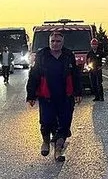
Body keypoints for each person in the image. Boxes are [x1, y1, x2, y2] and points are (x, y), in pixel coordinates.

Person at [26, 32, 82, 161]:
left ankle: (58, 150)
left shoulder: (68, 55)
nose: (55, 44)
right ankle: (45, 141)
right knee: (46, 121)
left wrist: (78, 92)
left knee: (64, 123)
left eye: (58, 41)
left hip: (65, 96)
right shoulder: (42, 56)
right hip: (47, 96)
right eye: (53, 41)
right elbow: (34, 76)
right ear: (49, 42)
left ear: (62, 43)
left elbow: (75, 75)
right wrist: (31, 95)